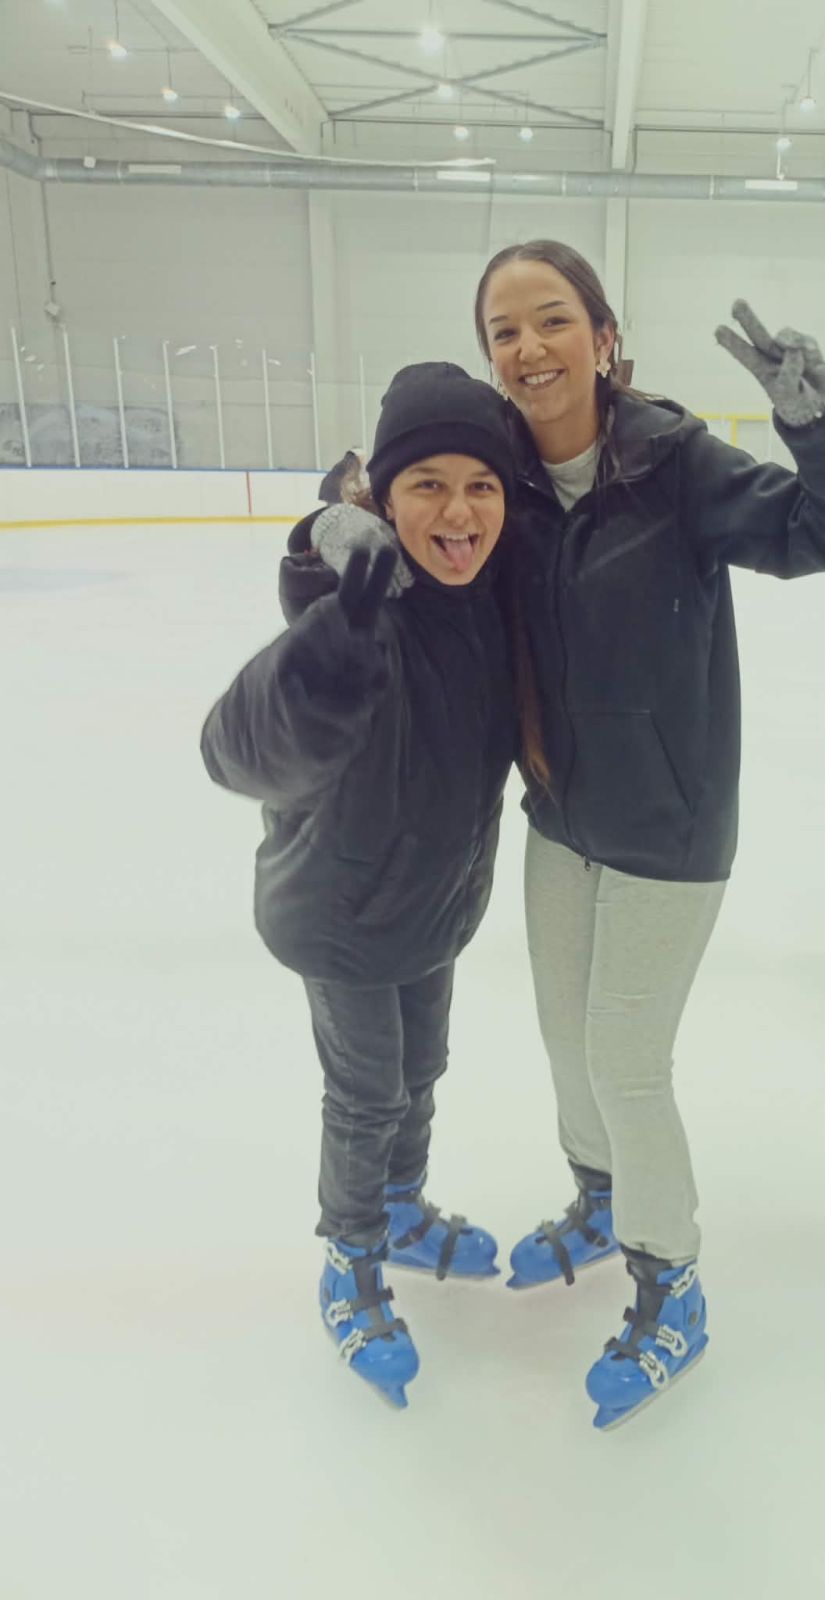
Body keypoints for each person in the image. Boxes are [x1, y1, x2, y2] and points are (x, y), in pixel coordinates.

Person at [473, 239, 825, 1428]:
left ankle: (671, 1279)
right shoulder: (500, 479)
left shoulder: (674, 464)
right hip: (561, 814)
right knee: (565, 1040)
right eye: (504, 330)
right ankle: (601, 1196)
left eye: (553, 319)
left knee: (624, 1059)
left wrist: (819, 426)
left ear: (605, 337)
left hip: (670, 821)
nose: (529, 347)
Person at [201, 364, 519, 1407]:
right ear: (382, 498)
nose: (458, 511)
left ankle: (402, 1206)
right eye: (427, 484)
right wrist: (316, 655)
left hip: (433, 906)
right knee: (367, 1092)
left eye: (481, 484)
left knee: (422, 1068)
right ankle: (351, 1254)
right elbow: (239, 748)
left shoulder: (488, 601)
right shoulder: (353, 617)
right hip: (339, 914)